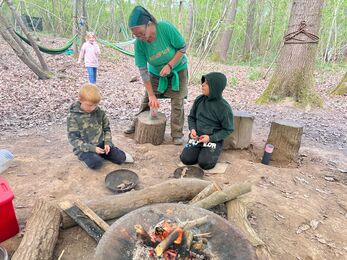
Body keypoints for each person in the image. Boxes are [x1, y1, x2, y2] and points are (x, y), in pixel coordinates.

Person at [124, 5, 188, 145]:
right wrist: (152, 94)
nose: (139, 37)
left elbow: (182, 47)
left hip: (178, 68)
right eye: (135, 35)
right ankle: (137, 123)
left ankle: (177, 134)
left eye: (140, 33)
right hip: (155, 72)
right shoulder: (139, 44)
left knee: (177, 102)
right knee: (148, 100)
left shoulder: (165, 28)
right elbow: (143, 70)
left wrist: (170, 65)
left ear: (149, 24)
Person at [67, 83, 133, 169]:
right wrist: (92, 149)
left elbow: (106, 129)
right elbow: (73, 139)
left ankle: (104, 154)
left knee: (120, 158)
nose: (92, 108)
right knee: (96, 163)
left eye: (95, 105)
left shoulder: (99, 112)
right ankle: (85, 158)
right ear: (80, 100)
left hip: (101, 144)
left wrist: (107, 143)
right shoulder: (73, 117)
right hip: (84, 148)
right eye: (89, 105)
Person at [180, 72, 234, 170]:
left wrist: (211, 138)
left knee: (205, 163)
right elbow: (191, 117)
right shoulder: (199, 100)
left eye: (207, 83)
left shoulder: (224, 108)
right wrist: (192, 129)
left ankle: (212, 149)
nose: (203, 84)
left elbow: (228, 129)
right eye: (203, 82)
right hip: (197, 137)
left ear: (215, 87)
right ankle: (198, 148)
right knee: (186, 159)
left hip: (212, 139)